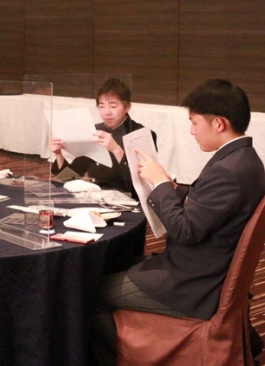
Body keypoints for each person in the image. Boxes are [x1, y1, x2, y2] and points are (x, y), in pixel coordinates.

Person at [90, 78, 265, 365]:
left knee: (89, 293)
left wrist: (160, 184)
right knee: (114, 265)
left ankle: (119, 359)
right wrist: (172, 188)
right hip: (206, 268)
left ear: (218, 123)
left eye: (194, 122)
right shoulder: (245, 160)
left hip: (191, 283)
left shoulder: (228, 171)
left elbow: (184, 231)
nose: (192, 131)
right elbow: (209, 208)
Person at [50, 78, 156, 194]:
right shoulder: (95, 131)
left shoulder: (142, 134)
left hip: (129, 198)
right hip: (97, 197)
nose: (107, 112)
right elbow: (69, 178)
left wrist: (116, 149)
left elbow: (144, 183)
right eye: (101, 106)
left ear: (127, 107)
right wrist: (58, 153)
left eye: (113, 106)